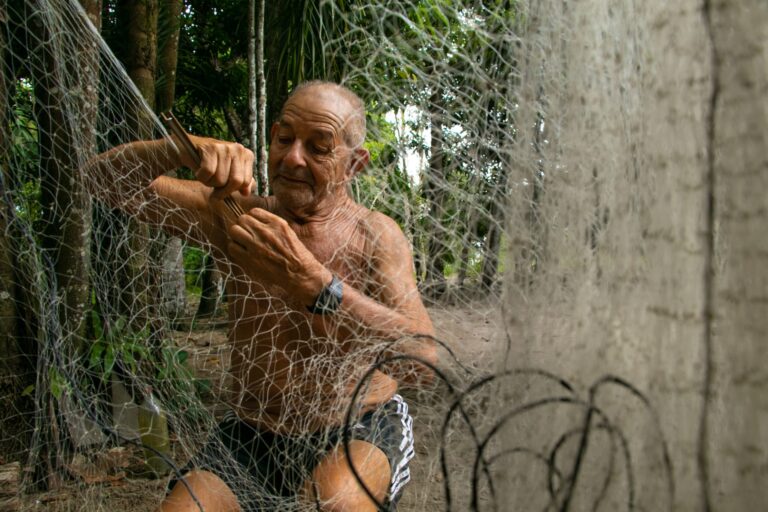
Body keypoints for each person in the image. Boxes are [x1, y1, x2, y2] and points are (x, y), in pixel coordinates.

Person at [89, 81, 436, 511]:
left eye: (319, 146)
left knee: (336, 504)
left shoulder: (375, 235)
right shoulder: (237, 218)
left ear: (354, 165)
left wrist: (315, 285)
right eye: (284, 139)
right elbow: (102, 181)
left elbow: (425, 361)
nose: (293, 157)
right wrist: (180, 150)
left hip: (358, 425)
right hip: (253, 432)